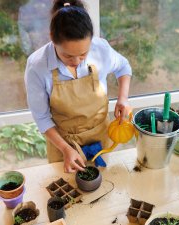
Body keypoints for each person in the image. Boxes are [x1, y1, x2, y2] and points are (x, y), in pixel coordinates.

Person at [24, 0, 132, 173]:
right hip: (63, 144)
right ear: (52, 37)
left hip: (101, 138)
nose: (75, 62)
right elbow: (42, 118)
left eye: (83, 54)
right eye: (68, 55)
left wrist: (123, 99)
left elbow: (123, 67)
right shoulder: (38, 66)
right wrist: (67, 150)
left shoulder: (100, 48)